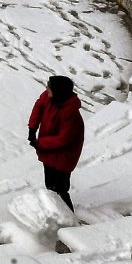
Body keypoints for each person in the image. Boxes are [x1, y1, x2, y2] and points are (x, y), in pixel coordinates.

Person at [29, 75, 84, 210]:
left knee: (61, 189)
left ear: (58, 91)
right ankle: (55, 213)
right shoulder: (50, 97)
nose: (46, 88)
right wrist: (32, 127)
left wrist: (39, 143)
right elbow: (39, 105)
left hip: (64, 157)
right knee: (50, 186)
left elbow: (64, 139)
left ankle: (69, 218)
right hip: (49, 150)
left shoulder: (70, 113)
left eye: (49, 86)